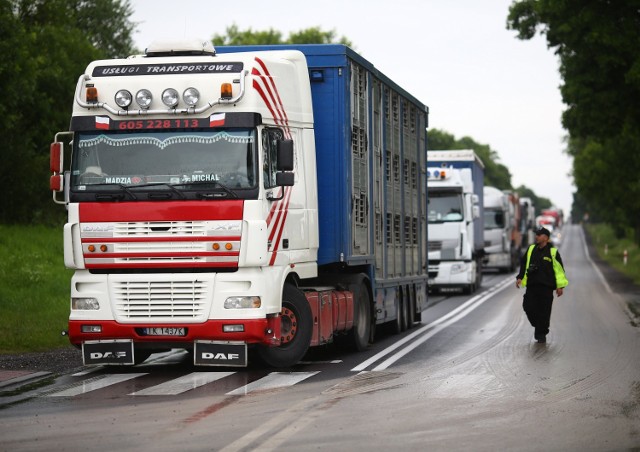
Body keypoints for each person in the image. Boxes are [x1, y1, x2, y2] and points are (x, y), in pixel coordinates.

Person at [515, 227, 569, 343]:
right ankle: (539, 325)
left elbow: (559, 271)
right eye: (536, 235)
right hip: (532, 286)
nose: (536, 237)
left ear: (545, 237)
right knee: (528, 307)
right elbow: (523, 264)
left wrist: (560, 286)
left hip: (546, 288)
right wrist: (519, 277)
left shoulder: (553, 252)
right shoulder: (531, 249)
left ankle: (541, 333)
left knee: (544, 312)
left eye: (539, 235)